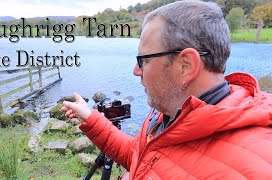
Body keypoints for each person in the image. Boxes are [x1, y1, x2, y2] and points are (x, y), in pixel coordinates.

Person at [61, 0, 272, 179]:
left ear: (185, 66)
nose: (136, 71)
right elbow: (137, 154)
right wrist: (89, 117)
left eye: (143, 60)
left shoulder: (256, 169)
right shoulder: (168, 112)